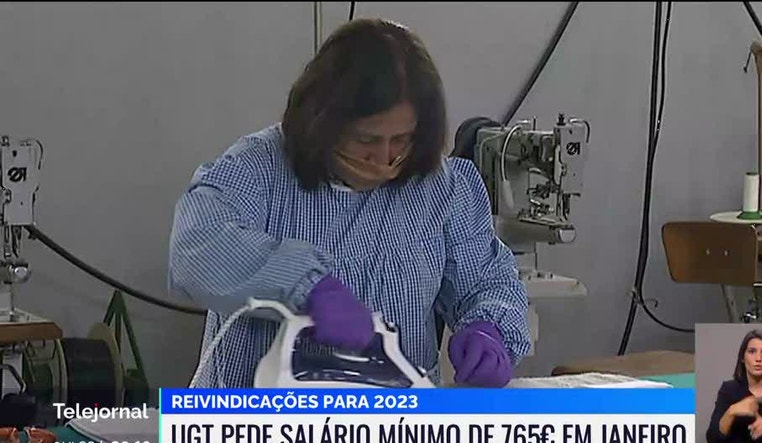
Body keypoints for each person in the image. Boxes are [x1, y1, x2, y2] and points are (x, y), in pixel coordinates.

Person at [167, 18, 531, 389]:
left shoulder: (442, 187)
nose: (384, 158)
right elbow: (196, 246)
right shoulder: (256, 169)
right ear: (321, 121)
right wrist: (306, 287)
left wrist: (489, 328)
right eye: (365, 140)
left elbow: (487, 280)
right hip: (254, 417)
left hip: (393, 418)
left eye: (401, 139)